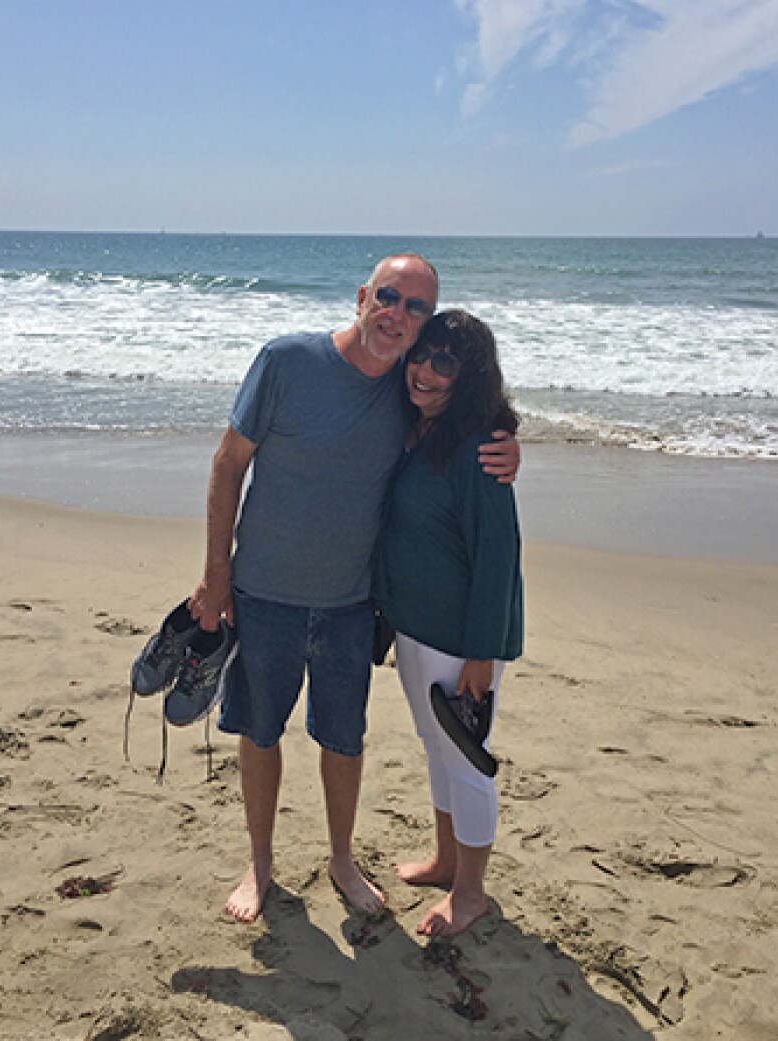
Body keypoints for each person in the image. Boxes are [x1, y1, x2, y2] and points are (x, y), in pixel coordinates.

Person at [187, 254, 520, 923]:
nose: (397, 316)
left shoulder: (409, 385)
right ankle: (260, 863)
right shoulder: (286, 361)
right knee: (259, 730)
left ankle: (342, 858)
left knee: (344, 738)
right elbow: (228, 463)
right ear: (363, 296)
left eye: (414, 307)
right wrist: (216, 572)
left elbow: (467, 403)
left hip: (350, 605)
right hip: (264, 591)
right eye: (388, 297)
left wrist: (509, 440)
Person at [372, 309, 523, 938]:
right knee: (434, 747)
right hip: (415, 628)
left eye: (445, 363)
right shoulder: (420, 430)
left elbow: (498, 558)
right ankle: (444, 861)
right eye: (421, 355)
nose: (425, 371)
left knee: (467, 759)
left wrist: (483, 658)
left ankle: (470, 892)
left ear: (470, 378)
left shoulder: (480, 450)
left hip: (461, 641)